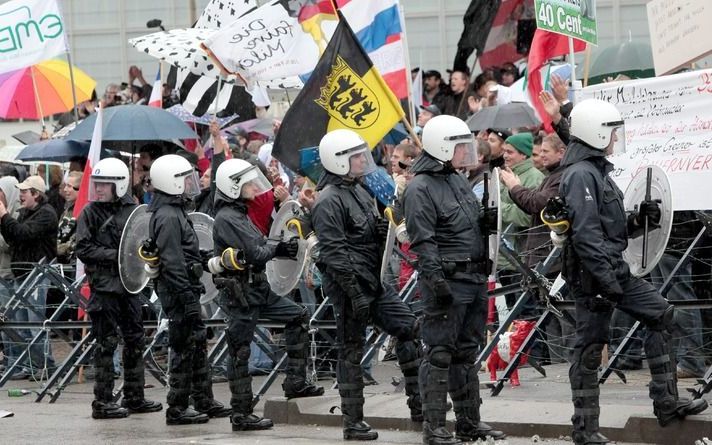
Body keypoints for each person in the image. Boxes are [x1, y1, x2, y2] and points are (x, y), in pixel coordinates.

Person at [558, 99, 708, 444]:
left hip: (611, 270)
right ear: (595, 133)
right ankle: (585, 429)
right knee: (590, 348)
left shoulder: (596, 171)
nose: (615, 139)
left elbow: (610, 229)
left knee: (661, 315)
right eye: (611, 132)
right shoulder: (581, 174)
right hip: (594, 275)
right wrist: (606, 281)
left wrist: (639, 220)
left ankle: (667, 403)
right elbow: (586, 235)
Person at [311, 129, 422, 441]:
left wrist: (380, 230)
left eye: (362, 154)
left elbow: (367, 236)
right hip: (349, 288)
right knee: (350, 349)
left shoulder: (359, 190)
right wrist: (355, 292)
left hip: (374, 281)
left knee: (410, 329)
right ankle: (353, 421)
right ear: (339, 162)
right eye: (356, 156)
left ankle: (420, 403)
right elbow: (334, 253)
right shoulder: (328, 201)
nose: (363, 160)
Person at [402, 115, 506, 444]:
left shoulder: (457, 180)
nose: (466, 152)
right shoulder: (420, 187)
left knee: (466, 351)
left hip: (473, 277)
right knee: (439, 353)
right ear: (443, 147)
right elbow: (424, 241)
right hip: (447, 279)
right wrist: (436, 282)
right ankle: (434, 426)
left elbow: (466, 224)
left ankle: (468, 422)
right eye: (460, 146)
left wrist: (485, 221)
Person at [209, 158, 324, 431]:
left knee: (298, 316)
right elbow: (257, 252)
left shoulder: (240, 213)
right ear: (233, 186)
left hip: (258, 289)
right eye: (247, 182)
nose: (253, 186)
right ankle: (241, 413)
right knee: (240, 350)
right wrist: (276, 247)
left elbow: (260, 242)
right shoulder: (229, 217)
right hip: (241, 293)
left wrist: (278, 246)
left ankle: (295, 382)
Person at [75, 158, 162, 419]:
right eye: (97, 184)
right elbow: (83, 248)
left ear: (120, 185)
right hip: (104, 287)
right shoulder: (90, 212)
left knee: (135, 340)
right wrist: (118, 255)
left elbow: (142, 239)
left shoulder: (134, 209)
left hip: (130, 285)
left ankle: (135, 396)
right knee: (106, 344)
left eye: (104, 184)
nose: (98, 189)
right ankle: (102, 402)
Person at [146, 154, 231, 425]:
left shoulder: (174, 210)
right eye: (184, 179)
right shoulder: (169, 215)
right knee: (183, 345)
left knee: (196, 343)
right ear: (171, 183)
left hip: (185, 287)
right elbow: (172, 261)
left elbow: (184, 252)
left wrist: (205, 259)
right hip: (179, 290)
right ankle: (178, 406)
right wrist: (186, 296)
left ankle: (202, 398)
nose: (190, 184)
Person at [0, 175, 58, 379]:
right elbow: (13, 238)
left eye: (24, 192)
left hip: (38, 275)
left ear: (36, 193)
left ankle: (47, 366)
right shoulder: (25, 212)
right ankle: (30, 365)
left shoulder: (47, 214)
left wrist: (4, 215)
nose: (21, 195)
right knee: (21, 324)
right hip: (21, 273)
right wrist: (4, 221)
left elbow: (24, 234)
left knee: (35, 324)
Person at [57, 171, 82, 263]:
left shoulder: (84, 213)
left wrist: (56, 249)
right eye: (65, 185)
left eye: (69, 186)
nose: (65, 189)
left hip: (73, 264)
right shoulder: (67, 210)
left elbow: (76, 242)